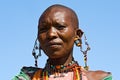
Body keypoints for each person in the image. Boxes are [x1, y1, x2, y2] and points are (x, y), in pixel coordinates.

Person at [12, 4, 112, 80]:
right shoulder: (25, 78)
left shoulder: (98, 78)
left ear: (77, 35)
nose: (51, 34)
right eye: (43, 29)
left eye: (60, 27)